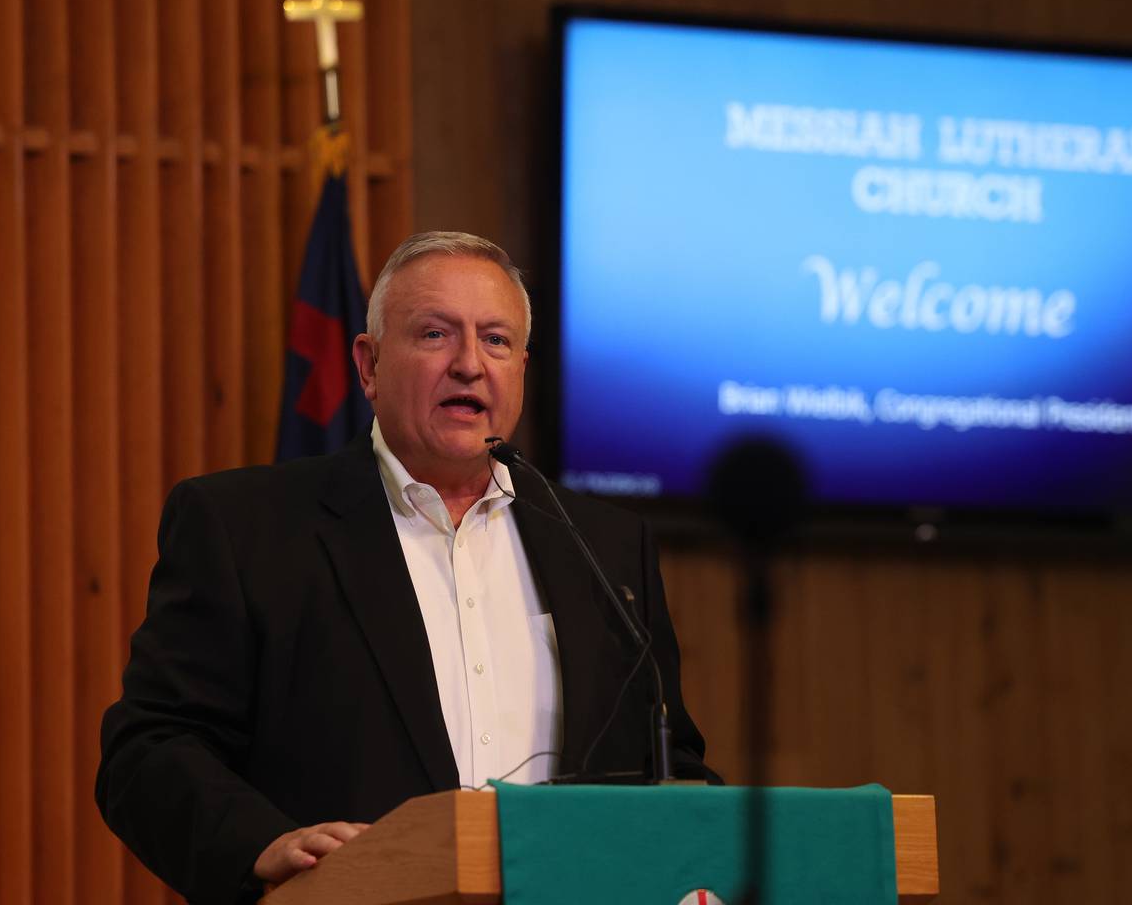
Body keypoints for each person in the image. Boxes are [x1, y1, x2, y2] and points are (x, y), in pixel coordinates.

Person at [96, 231, 712, 905]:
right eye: (435, 335)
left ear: (522, 371)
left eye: (496, 341)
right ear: (369, 365)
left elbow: (668, 766)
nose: (470, 364)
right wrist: (258, 844)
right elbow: (149, 749)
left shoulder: (605, 546)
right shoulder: (248, 529)